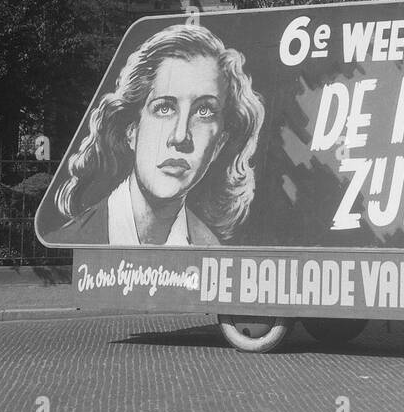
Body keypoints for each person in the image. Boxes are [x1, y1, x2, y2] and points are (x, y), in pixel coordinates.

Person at [47, 23, 264, 246]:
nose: (180, 137)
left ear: (219, 142)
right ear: (131, 129)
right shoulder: (72, 238)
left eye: (203, 111)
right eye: (164, 108)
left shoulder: (210, 250)